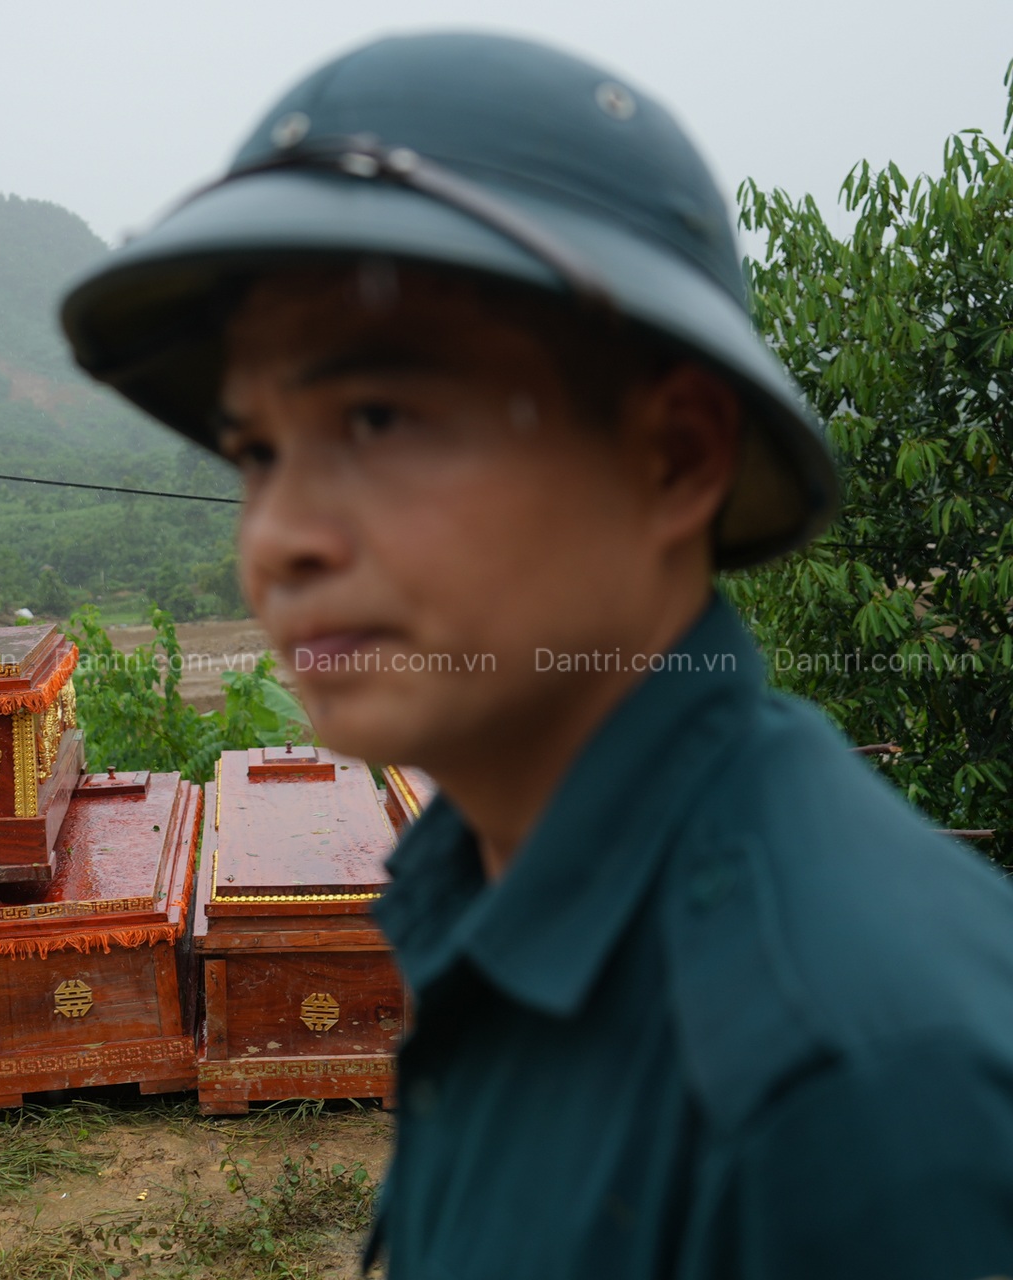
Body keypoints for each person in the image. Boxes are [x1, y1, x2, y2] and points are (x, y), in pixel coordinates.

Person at [60, 31, 1013, 1279]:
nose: (280, 539)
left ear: (674, 456)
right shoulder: (494, 886)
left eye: (380, 418)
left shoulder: (849, 1080)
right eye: (260, 454)